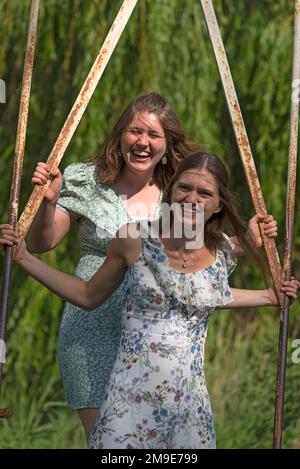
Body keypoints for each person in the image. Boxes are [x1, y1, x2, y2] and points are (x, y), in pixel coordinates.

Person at [0, 93, 277, 439]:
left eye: (154, 135)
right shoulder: (87, 179)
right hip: (92, 327)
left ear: (167, 143)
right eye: (134, 131)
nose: (142, 142)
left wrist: (248, 243)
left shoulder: (178, 190)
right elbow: (44, 242)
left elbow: (195, 256)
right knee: (110, 438)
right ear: (120, 134)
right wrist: (48, 202)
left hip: (154, 332)